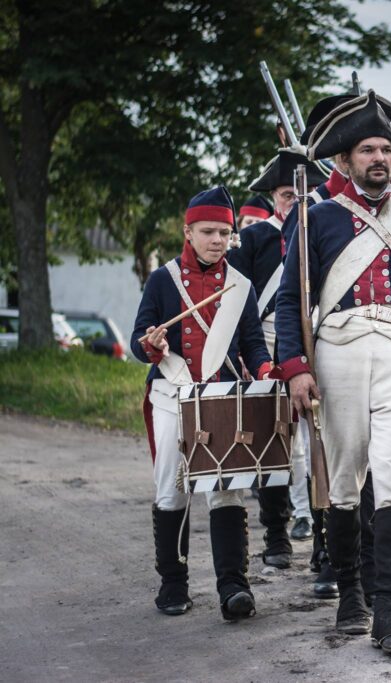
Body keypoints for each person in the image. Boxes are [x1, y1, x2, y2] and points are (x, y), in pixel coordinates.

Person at [275, 91, 391, 655]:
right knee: (347, 478)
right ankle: (350, 589)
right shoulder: (316, 219)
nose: (379, 158)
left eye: (386, 150)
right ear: (346, 159)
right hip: (339, 353)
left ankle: (390, 609)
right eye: (367, 149)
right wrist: (297, 369)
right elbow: (289, 304)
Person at [131, 186, 274, 621]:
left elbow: (253, 344)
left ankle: (234, 587)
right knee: (171, 490)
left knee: (228, 492)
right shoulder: (162, 280)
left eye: (225, 233)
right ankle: (173, 584)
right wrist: (152, 346)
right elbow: (141, 343)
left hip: (221, 396)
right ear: (187, 232)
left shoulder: (240, 286)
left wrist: (267, 372)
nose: (217, 240)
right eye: (208, 231)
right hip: (172, 394)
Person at [230, 148, 329, 566]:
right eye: (288, 194)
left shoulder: (322, 230)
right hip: (270, 343)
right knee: (274, 444)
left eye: (302, 195)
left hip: (321, 339)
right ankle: (276, 534)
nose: (295, 202)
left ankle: (321, 530)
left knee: (322, 441)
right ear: (273, 196)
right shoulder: (254, 239)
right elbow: (238, 300)